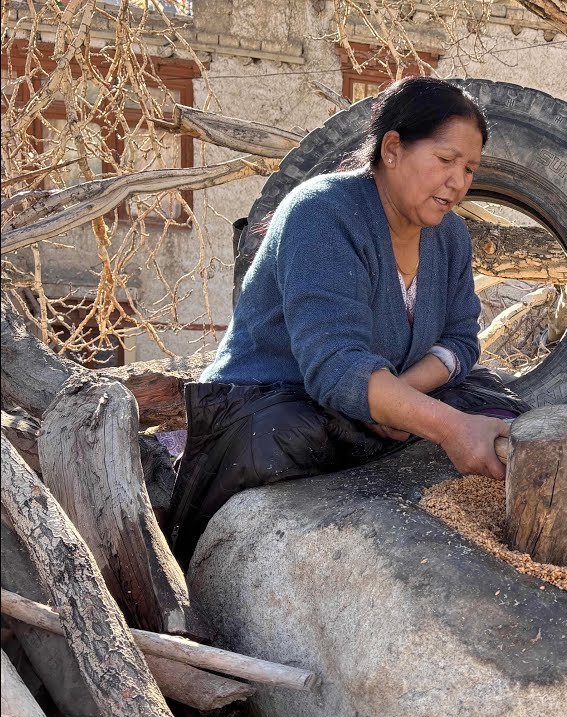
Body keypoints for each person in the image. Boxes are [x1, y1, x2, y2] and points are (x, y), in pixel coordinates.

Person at [167, 76, 529, 566]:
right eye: (445, 161)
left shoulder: (450, 238)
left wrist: (403, 393)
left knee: (496, 403)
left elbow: (461, 340)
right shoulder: (322, 211)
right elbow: (336, 368)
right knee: (287, 436)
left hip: (376, 390)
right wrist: (445, 427)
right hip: (279, 400)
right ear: (393, 148)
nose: (459, 182)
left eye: (469, 168)